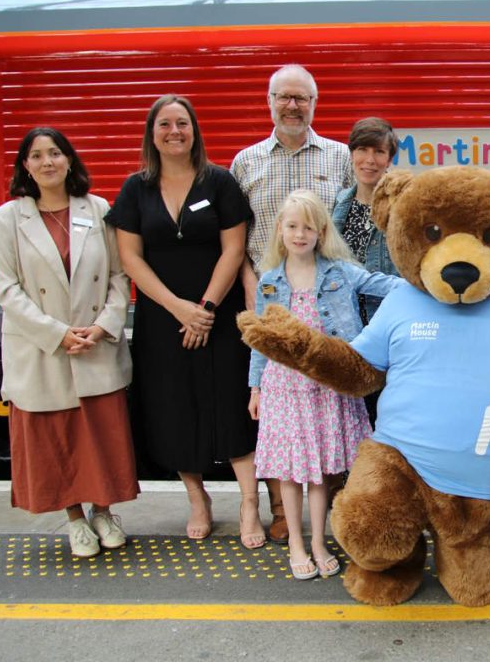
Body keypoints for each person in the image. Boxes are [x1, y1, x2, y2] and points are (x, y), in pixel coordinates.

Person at [106, 94, 265, 549]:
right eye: (164, 125)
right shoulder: (136, 188)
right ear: (151, 134)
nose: (174, 132)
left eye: (182, 124)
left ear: (194, 131)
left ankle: (249, 504)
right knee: (173, 407)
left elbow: (234, 249)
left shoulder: (219, 182)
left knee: (235, 406)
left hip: (220, 313)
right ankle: (198, 500)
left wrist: (207, 310)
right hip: (163, 318)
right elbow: (130, 259)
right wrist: (179, 309)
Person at [0, 127, 139, 558]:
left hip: (94, 342)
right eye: (36, 156)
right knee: (57, 436)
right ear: (25, 167)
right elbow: (7, 289)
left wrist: (104, 325)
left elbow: (117, 275)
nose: (47, 162)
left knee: (99, 432)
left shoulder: (97, 209)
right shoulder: (6, 220)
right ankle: (75, 520)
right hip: (42, 346)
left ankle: (104, 512)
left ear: (69, 160)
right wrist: (57, 334)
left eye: (55, 153)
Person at [246, 190, 402, 579]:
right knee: (291, 472)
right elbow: (261, 340)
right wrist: (255, 387)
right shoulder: (268, 282)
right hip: (284, 389)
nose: (300, 234)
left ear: (321, 231)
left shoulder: (340, 272)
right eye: (292, 225)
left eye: (308, 227)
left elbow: (384, 284)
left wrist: (425, 282)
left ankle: (317, 541)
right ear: (280, 229)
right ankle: (297, 545)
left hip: (325, 386)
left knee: (320, 472)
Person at [230, 63, 352, 543]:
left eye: (301, 98)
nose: (292, 105)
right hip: (271, 300)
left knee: (329, 407)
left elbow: (347, 233)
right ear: (270, 101)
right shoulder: (247, 162)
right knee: (280, 411)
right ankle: (283, 510)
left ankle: (335, 509)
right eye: (284, 96)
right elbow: (238, 241)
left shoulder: (339, 157)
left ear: (314, 104)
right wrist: (253, 305)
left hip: (324, 301)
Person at [332, 117, 400, 325]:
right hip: (345, 320)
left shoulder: (402, 206)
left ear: (389, 159)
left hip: (387, 318)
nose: (370, 160)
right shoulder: (339, 202)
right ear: (352, 153)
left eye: (379, 151)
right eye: (362, 149)